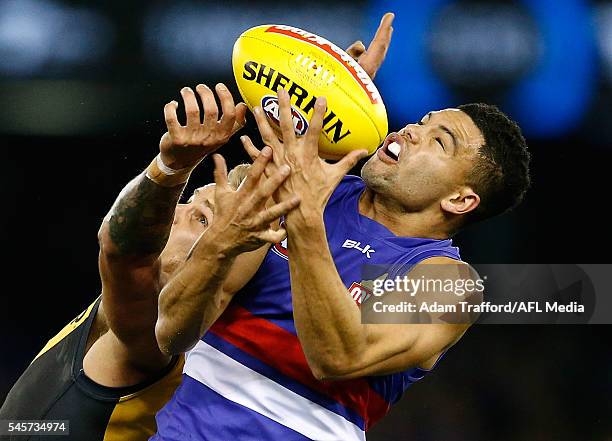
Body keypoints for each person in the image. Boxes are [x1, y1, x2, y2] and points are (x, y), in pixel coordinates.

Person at [151, 24, 531, 441]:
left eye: (439, 142)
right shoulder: (301, 183)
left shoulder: (442, 281)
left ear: (460, 200)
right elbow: (174, 329)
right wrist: (314, 119)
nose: (412, 132)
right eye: (423, 122)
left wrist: (303, 211)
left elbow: (338, 356)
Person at [0, 82, 299, 440]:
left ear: (213, 262)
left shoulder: (153, 331)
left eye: (201, 219)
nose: (176, 211)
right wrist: (326, 101)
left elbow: (121, 247)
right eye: (191, 201)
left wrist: (170, 168)